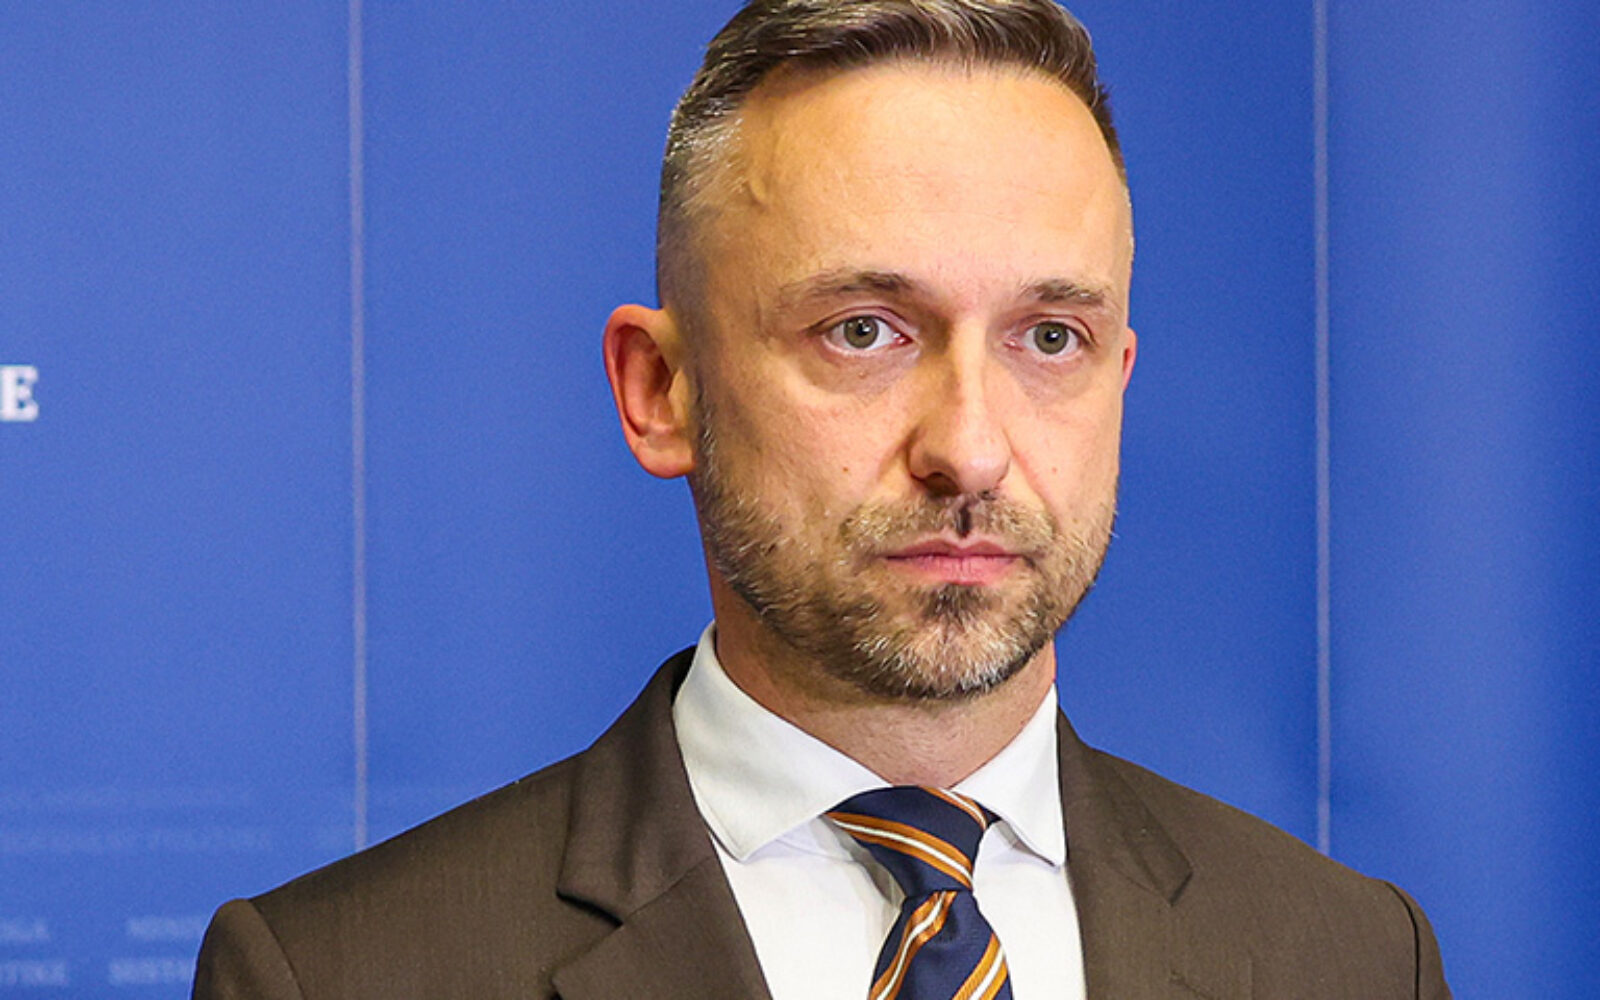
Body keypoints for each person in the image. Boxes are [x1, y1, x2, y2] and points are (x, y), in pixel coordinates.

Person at [192, 2, 1451, 997]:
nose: (969, 450)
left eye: (1048, 338)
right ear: (660, 390)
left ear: (1119, 379)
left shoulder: (1350, 959)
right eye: (863, 330)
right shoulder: (344, 974)